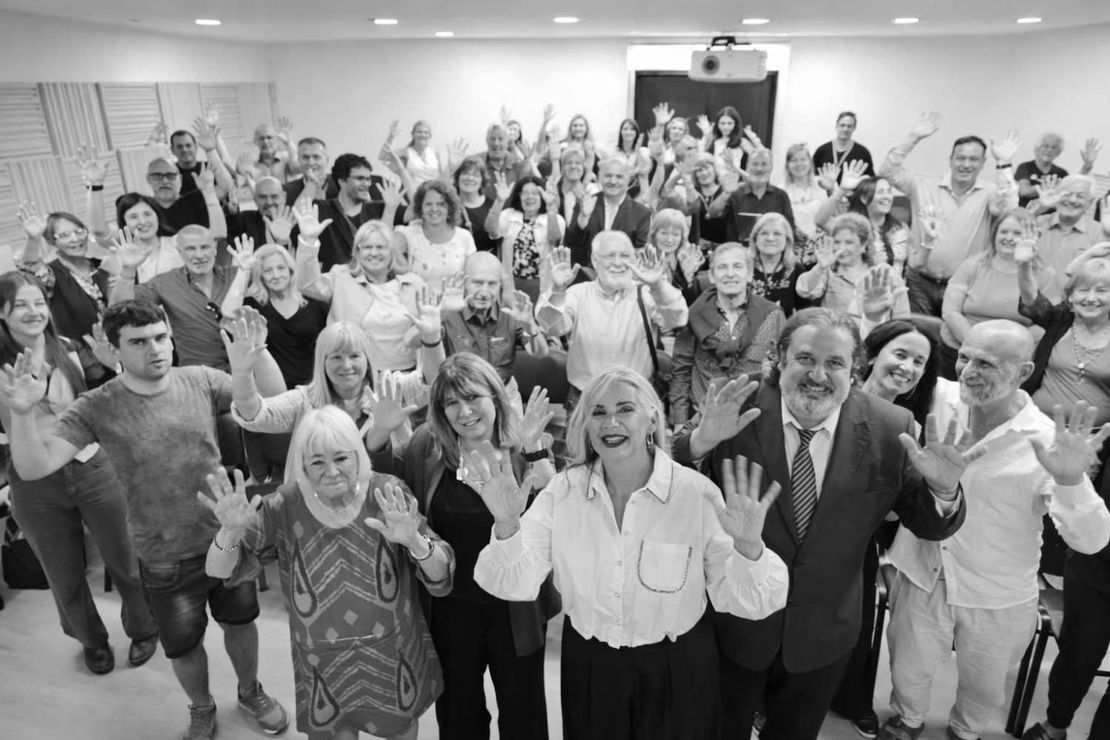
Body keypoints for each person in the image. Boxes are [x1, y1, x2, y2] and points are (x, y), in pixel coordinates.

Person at [673, 307, 969, 740]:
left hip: (823, 633)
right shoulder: (734, 402)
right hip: (731, 623)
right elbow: (673, 486)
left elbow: (927, 524)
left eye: (835, 363)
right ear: (779, 358)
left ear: (855, 370)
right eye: (806, 359)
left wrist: (943, 492)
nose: (818, 375)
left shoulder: (892, 428)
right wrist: (699, 442)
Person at [0, 300, 288, 740]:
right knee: (184, 644)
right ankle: (202, 706)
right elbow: (36, 466)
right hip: (162, 555)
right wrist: (22, 413)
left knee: (241, 624)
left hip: (225, 536)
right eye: (138, 342)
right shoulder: (96, 406)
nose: (155, 349)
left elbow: (270, 406)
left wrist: (253, 360)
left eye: (160, 337)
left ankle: (251, 691)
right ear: (113, 350)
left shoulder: (201, 379)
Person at [472, 366, 789, 739]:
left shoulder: (695, 493)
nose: (611, 422)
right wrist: (508, 524)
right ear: (586, 425)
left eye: (625, 409)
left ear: (652, 417)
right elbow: (516, 584)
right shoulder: (563, 492)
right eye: (599, 412)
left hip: (677, 667)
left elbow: (748, 601)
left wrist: (749, 547)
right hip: (591, 667)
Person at [881, 320, 1110, 740]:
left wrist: (1071, 481)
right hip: (921, 572)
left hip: (997, 594)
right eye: (965, 357)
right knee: (906, 672)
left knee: (981, 695)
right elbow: (876, 383)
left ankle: (963, 734)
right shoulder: (937, 396)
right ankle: (906, 721)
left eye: (986, 363)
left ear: (1023, 372)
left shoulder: (1045, 441)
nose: (968, 371)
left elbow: (1091, 540)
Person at [202, 406, 452, 739]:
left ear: (358, 455)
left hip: (392, 657)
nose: (331, 472)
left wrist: (415, 542)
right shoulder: (284, 505)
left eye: (342, 458)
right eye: (317, 462)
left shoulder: (387, 492)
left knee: (400, 730)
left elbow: (441, 577)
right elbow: (220, 570)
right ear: (302, 464)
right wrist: (229, 533)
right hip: (323, 663)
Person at [367, 353, 558, 739]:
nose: (464, 411)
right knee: (458, 715)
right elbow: (384, 482)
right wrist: (379, 432)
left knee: (524, 715)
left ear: (495, 398)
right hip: (451, 607)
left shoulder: (522, 439)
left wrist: (533, 447)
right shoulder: (427, 445)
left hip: (515, 608)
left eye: (473, 398)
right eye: (451, 402)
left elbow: (554, 499)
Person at [0, 272, 158, 676]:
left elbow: (108, 398)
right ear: (2, 312)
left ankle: (144, 627)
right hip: (34, 483)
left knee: (124, 559)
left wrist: (114, 365)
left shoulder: (68, 348)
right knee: (63, 573)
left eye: (38, 303)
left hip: (91, 466)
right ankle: (92, 640)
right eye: (21, 305)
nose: (33, 312)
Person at [830, 317, 941, 736]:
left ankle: (850, 697)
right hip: (810, 524)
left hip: (865, 535)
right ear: (873, 355)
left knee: (857, 621)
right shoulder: (838, 397)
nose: (908, 367)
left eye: (919, 362)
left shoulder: (908, 424)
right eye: (901, 354)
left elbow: (903, 507)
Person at [877, 112, 1019, 316]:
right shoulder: (923, 185)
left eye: (973, 159)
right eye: (960, 158)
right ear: (951, 160)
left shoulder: (990, 193)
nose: (966, 164)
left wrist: (1004, 164)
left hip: (965, 285)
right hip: (919, 282)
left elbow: (1010, 208)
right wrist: (913, 138)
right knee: (916, 338)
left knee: (952, 342)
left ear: (983, 163)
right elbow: (886, 172)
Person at [535, 234, 689, 405]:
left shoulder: (646, 293)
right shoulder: (577, 294)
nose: (618, 263)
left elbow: (678, 319)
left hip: (637, 397)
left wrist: (658, 285)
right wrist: (557, 290)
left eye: (625, 256)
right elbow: (549, 326)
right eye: (609, 256)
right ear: (595, 260)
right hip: (585, 398)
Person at [296, 208, 441, 384]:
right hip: (356, 375)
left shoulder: (415, 283)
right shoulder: (341, 277)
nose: (374, 253)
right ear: (357, 252)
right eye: (367, 247)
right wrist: (309, 242)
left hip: (407, 376)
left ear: (391, 251)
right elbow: (306, 284)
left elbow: (428, 330)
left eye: (380, 247)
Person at [669, 242, 785, 426]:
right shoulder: (693, 315)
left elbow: (781, 369)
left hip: (753, 419)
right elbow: (681, 372)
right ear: (712, 276)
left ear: (749, 274)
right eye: (722, 267)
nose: (730, 273)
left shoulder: (771, 315)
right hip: (700, 420)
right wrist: (679, 422)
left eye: (737, 266)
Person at [939, 208, 1054, 377]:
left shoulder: (1045, 274)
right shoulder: (972, 265)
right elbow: (950, 312)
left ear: (1031, 238)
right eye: (1004, 231)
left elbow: (1045, 325)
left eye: (1017, 233)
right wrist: (977, 348)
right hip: (959, 350)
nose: (1009, 238)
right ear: (994, 234)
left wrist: (1001, 352)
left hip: (1008, 359)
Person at [110, 224, 235, 371]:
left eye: (205, 247)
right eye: (190, 249)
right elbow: (120, 309)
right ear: (179, 252)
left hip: (250, 372)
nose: (199, 255)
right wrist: (127, 270)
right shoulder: (165, 282)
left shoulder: (238, 275)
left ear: (215, 249)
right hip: (199, 377)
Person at [14, 204, 113, 384]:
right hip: (86, 362)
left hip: (118, 349)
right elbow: (29, 267)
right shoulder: (52, 274)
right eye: (64, 235)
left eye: (79, 231)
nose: (75, 239)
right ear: (52, 242)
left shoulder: (101, 265)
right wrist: (33, 239)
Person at [221, 237, 327, 389]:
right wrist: (244, 271)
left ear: (291, 270)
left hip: (311, 389)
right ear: (261, 276)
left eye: (281, 268)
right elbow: (229, 312)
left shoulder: (315, 304)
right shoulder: (253, 306)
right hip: (270, 391)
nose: (276, 275)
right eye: (268, 270)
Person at [440, 251, 547, 391]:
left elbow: (540, 352)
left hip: (503, 393)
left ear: (500, 286)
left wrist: (530, 325)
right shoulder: (448, 311)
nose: (484, 292)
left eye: (492, 284)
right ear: (465, 283)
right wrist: (439, 317)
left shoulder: (511, 314)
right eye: (477, 283)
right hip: (461, 393)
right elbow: (410, 341)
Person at [797, 212, 910, 323]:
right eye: (837, 242)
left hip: (875, 338)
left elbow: (902, 318)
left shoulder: (885, 273)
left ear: (864, 244)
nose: (841, 248)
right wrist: (820, 268)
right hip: (836, 337)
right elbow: (804, 290)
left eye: (849, 242)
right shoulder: (828, 271)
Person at [313, 153, 404, 271]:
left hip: (375, 281)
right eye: (360, 178)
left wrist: (401, 172)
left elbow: (419, 212)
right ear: (342, 181)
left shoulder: (381, 207)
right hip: (337, 284)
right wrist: (311, 184)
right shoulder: (321, 208)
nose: (366, 184)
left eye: (368, 179)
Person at [485, 174, 564, 302]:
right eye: (525, 193)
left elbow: (554, 237)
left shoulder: (554, 218)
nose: (530, 197)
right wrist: (499, 201)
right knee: (513, 319)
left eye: (535, 193)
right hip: (512, 284)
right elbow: (491, 230)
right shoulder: (509, 214)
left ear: (542, 196)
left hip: (542, 285)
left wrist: (551, 208)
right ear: (519, 196)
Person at [1031, 175, 1110, 300]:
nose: (1073, 200)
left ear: (1090, 202)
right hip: (1027, 304)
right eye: (1067, 194)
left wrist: (1108, 235)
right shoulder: (1037, 222)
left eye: (1080, 196)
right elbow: (1011, 227)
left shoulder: (1099, 232)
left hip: (1073, 309)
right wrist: (1041, 207)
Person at [563, 158, 652, 267]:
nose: (613, 181)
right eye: (608, 176)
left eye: (619, 177)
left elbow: (639, 254)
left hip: (621, 273)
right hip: (587, 274)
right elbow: (571, 243)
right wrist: (583, 217)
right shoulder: (586, 203)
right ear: (600, 178)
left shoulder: (641, 213)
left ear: (628, 180)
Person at [392, 180, 477, 292]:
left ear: (450, 208)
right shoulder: (410, 233)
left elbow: (473, 278)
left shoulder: (464, 237)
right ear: (420, 208)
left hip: (455, 306)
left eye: (440, 204)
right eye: (428, 204)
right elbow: (383, 243)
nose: (434, 209)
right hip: (417, 305)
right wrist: (390, 208)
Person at [709, 148, 798, 246]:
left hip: (771, 253)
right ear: (747, 167)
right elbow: (712, 213)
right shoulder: (735, 192)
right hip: (739, 254)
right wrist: (725, 194)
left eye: (764, 164)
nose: (759, 169)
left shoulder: (781, 196)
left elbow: (790, 230)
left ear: (771, 167)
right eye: (755, 164)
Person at [1015, 133, 1101, 208]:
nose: (1049, 150)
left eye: (1054, 148)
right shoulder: (1025, 167)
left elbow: (1073, 183)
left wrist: (1087, 165)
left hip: (1050, 217)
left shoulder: (1061, 173)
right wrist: (1051, 187)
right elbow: (1024, 192)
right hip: (1026, 214)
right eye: (1045, 146)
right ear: (1037, 149)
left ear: (1058, 152)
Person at [747, 212, 807, 317]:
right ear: (755, 239)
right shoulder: (743, 267)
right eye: (764, 233)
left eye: (777, 234)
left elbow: (804, 315)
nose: (770, 238)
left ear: (787, 240)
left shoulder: (797, 270)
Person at [782, 143, 828, 245]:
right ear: (787, 165)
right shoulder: (782, 190)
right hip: (793, 244)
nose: (799, 164)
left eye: (803, 159)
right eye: (794, 160)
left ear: (810, 163)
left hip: (821, 245)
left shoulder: (823, 184)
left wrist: (833, 189)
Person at [453, 157, 500, 255]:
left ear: (482, 180)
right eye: (465, 173)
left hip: (486, 263)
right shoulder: (450, 205)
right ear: (457, 178)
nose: (470, 178)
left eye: (475, 175)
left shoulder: (492, 205)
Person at [813, 112, 876, 183]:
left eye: (849, 126)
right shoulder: (822, 151)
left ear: (854, 128)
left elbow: (870, 180)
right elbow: (812, 176)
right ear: (836, 126)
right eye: (842, 125)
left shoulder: (863, 152)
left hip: (852, 193)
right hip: (825, 192)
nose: (845, 129)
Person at [283, 136, 340, 205]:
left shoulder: (341, 185)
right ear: (298, 160)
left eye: (316, 157)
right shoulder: (287, 191)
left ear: (327, 160)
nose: (311, 162)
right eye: (305, 157)